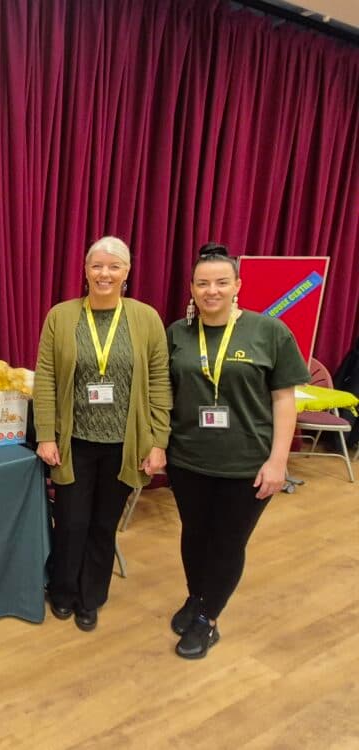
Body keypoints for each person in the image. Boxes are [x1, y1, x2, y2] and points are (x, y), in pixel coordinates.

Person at [166, 243, 309, 659]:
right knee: (194, 536)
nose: (212, 290)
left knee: (227, 542)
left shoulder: (269, 332)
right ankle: (198, 598)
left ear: (237, 286)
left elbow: (285, 399)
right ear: (192, 288)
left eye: (221, 282)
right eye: (203, 283)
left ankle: (208, 620)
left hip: (246, 463)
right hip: (189, 458)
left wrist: (278, 460)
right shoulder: (177, 333)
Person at [34, 236, 171, 631]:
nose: (104, 274)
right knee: (71, 521)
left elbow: (160, 381)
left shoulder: (146, 318)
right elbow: (45, 379)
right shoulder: (61, 316)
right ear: (85, 270)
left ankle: (91, 597)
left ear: (127, 272)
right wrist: (46, 434)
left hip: (124, 446)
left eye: (114, 267)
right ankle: (62, 591)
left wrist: (158, 441)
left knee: (103, 524)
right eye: (97, 266)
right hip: (73, 442)